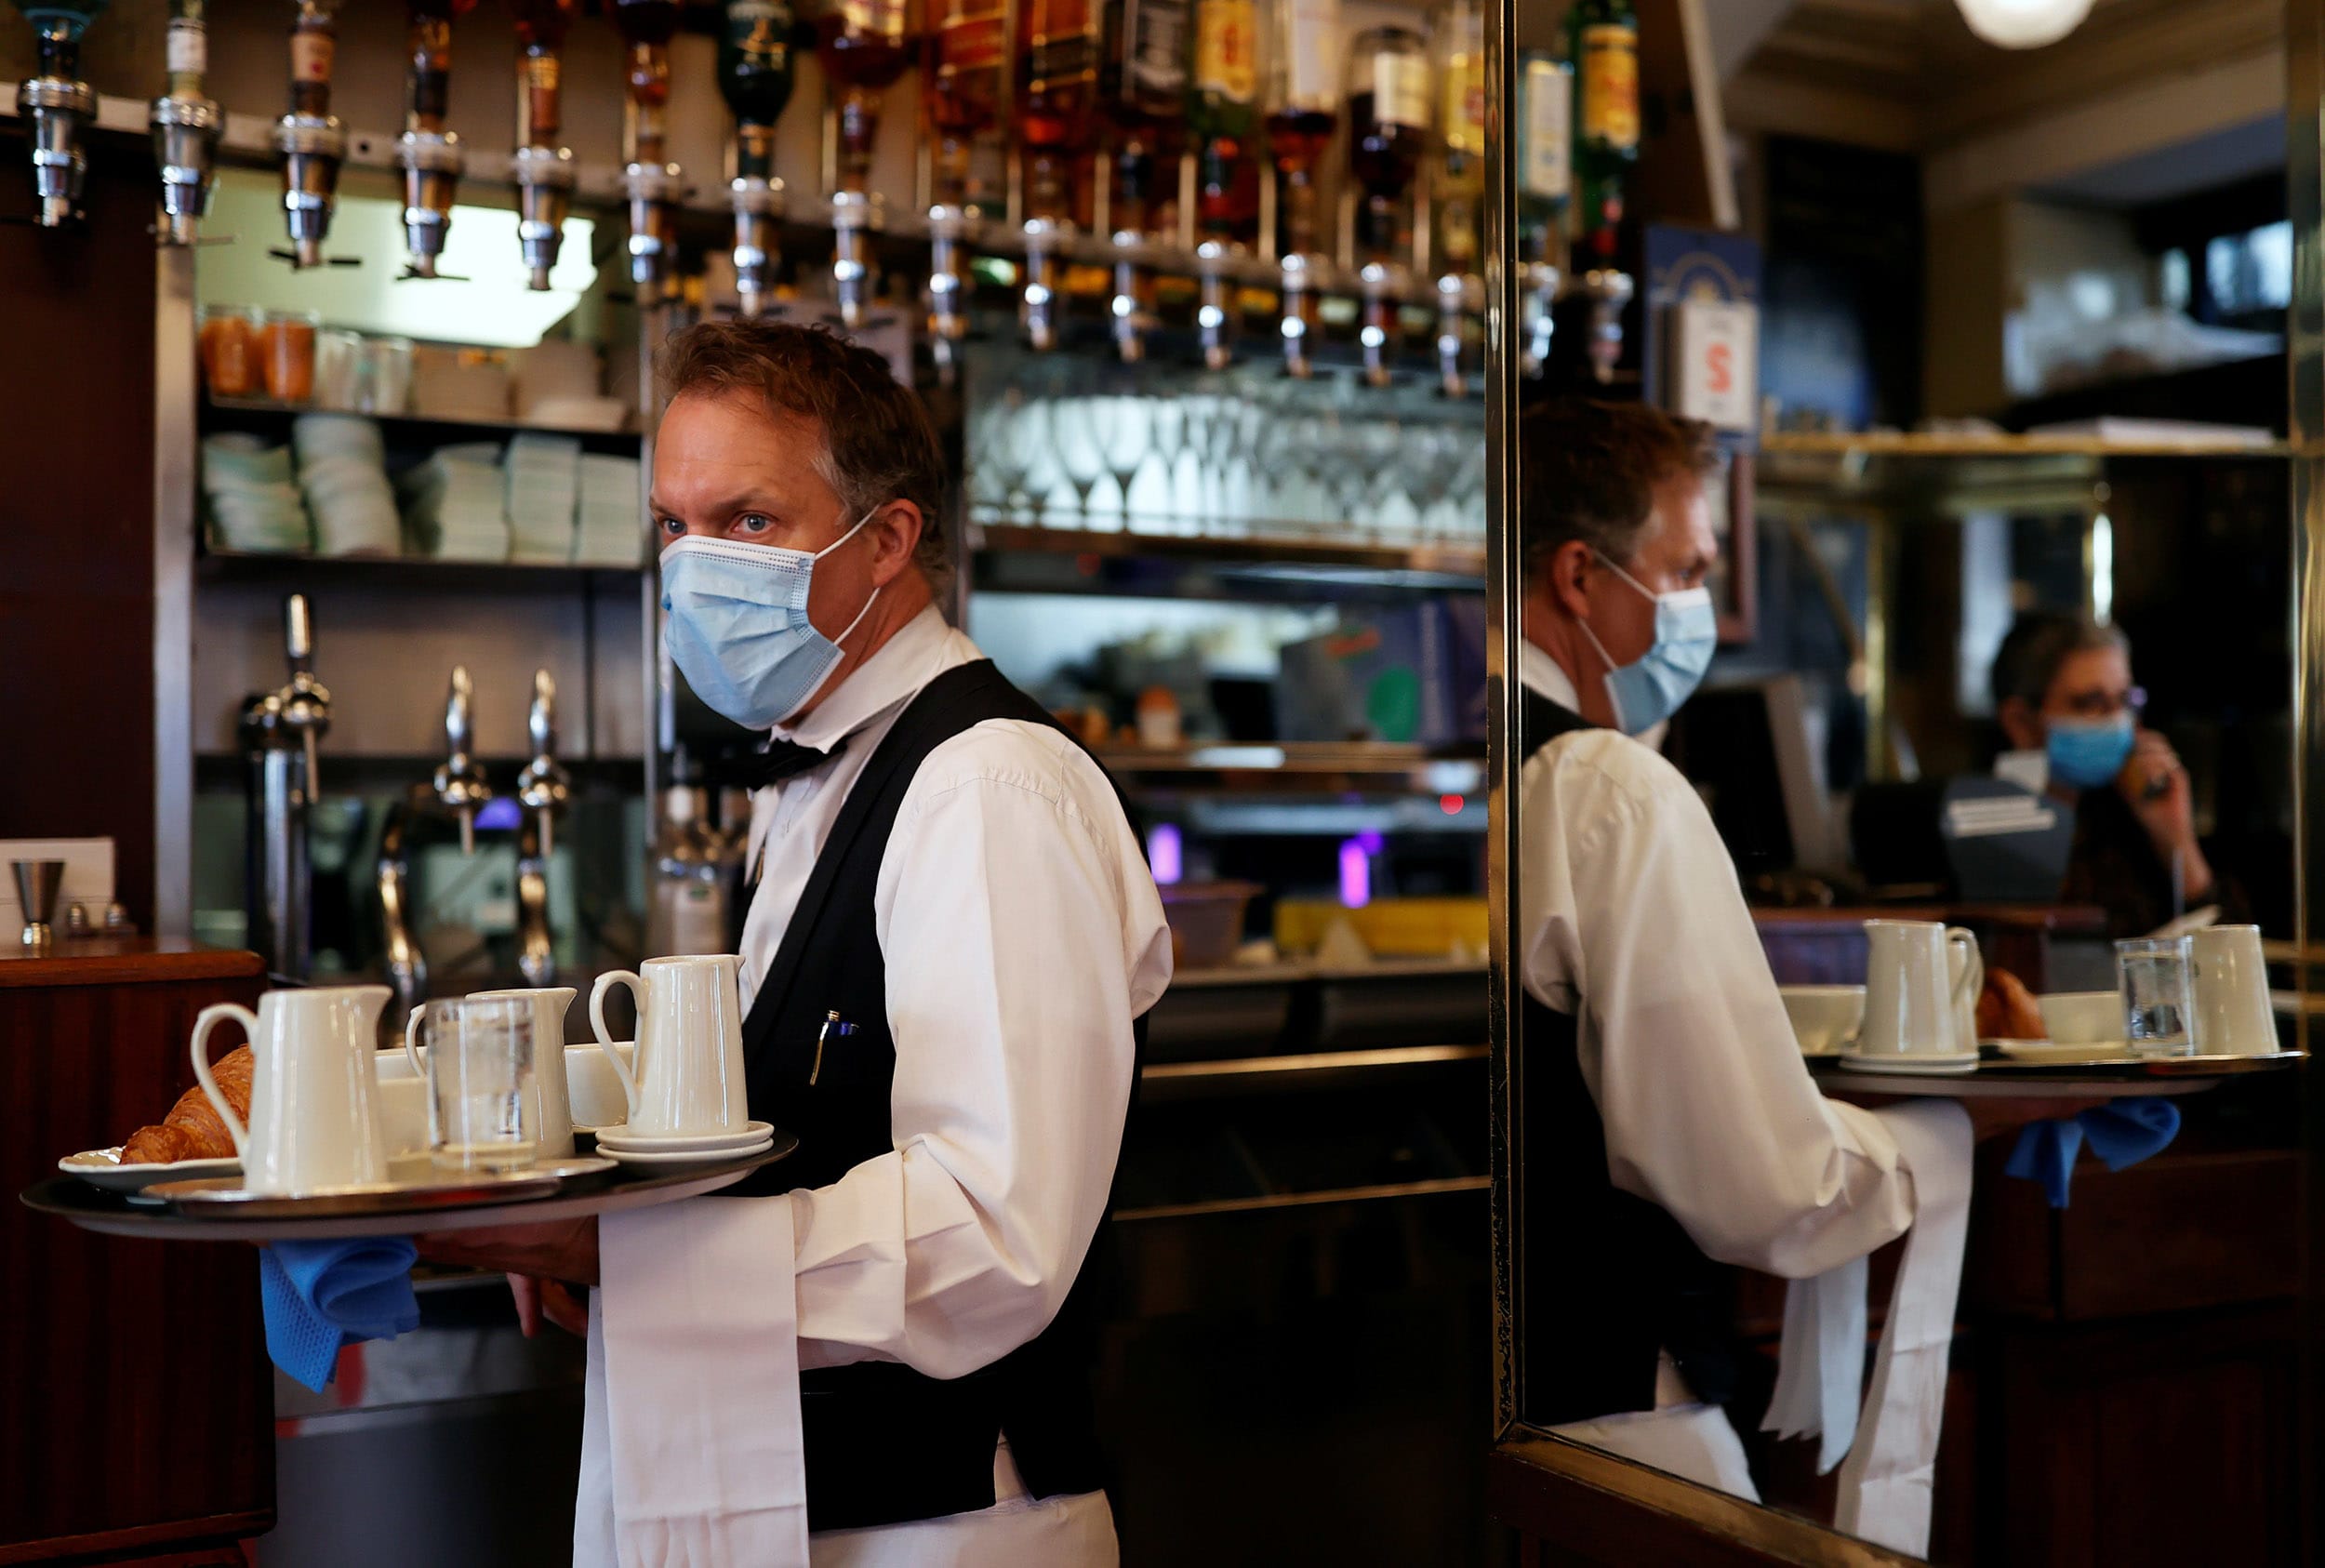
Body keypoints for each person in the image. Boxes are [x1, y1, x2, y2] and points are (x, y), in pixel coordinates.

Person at [423, 321, 1171, 1566]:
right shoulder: (813, 780)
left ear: (887, 538)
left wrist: (629, 1248)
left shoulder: (986, 787)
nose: (697, 561)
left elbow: (997, 1229)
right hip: (807, 1496)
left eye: (750, 520)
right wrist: (581, 1207)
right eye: (675, 523)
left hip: (949, 1525)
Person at [1513, 399, 2079, 1498]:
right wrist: (1964, 1122)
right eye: (1687, 572)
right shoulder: (1606, 788)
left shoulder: (1478, 760)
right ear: (1579, 578)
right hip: (1624, 1410)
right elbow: (1757, 1182)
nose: (1706, 616)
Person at [1990, 612, 2242, 937]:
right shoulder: (1979, 827)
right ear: (2021, 723)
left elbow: (2238, 959)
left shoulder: (2130, 817)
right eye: (2092, 703)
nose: (2117, 721)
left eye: (2124, 700)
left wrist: (2177, 841)